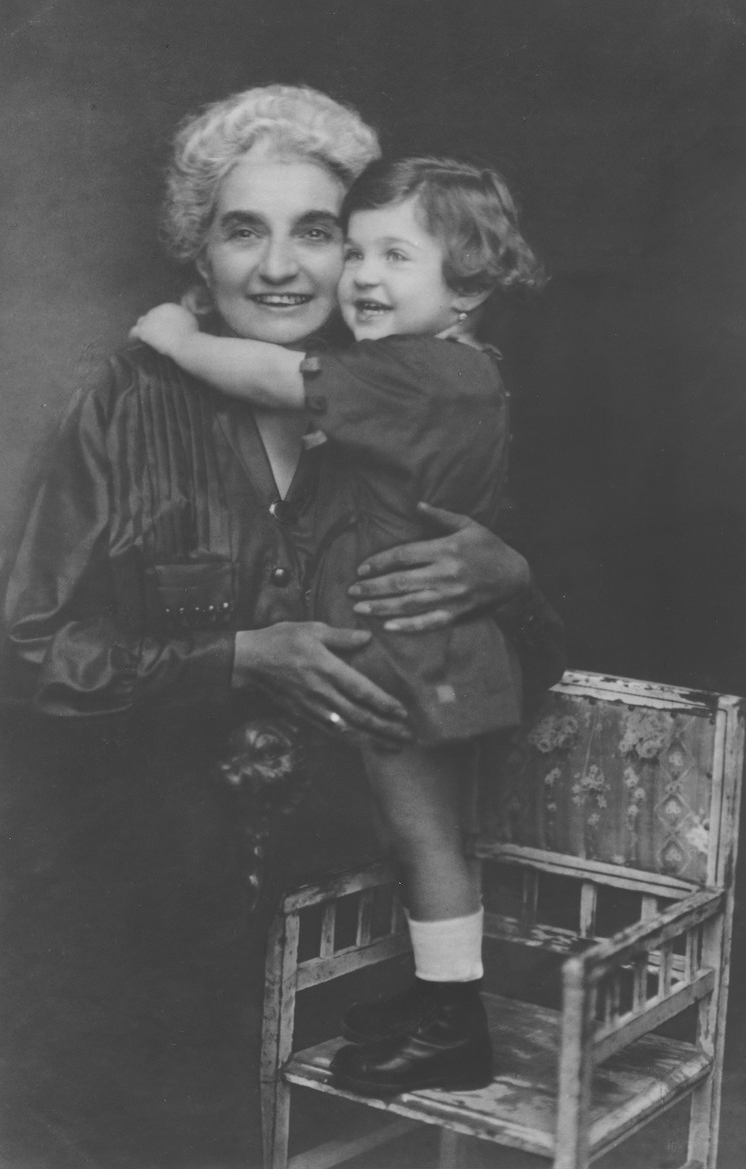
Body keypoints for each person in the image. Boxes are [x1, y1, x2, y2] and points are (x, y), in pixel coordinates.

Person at [1, 85, 563, 1142]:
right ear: (197, 252)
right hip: (163, 918)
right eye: (240, 231)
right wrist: (237, 655)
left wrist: (512, 582)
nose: (279, 268)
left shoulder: (419, 397)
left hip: (366, 929)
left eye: (317, 233)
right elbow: (27, 651)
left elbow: (522, 665)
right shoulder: (127, 403)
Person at [129, 153, 555, 1096]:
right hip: (420, 649)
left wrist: (175, 340)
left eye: (396, 256)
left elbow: (276, 378)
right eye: (355, 252)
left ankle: (454, 1025)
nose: (362, 277)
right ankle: (441, 998)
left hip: (404, 657)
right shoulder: (453, 373)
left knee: (426, 839)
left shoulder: (412, 373)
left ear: (467, 288)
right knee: (427, 836)